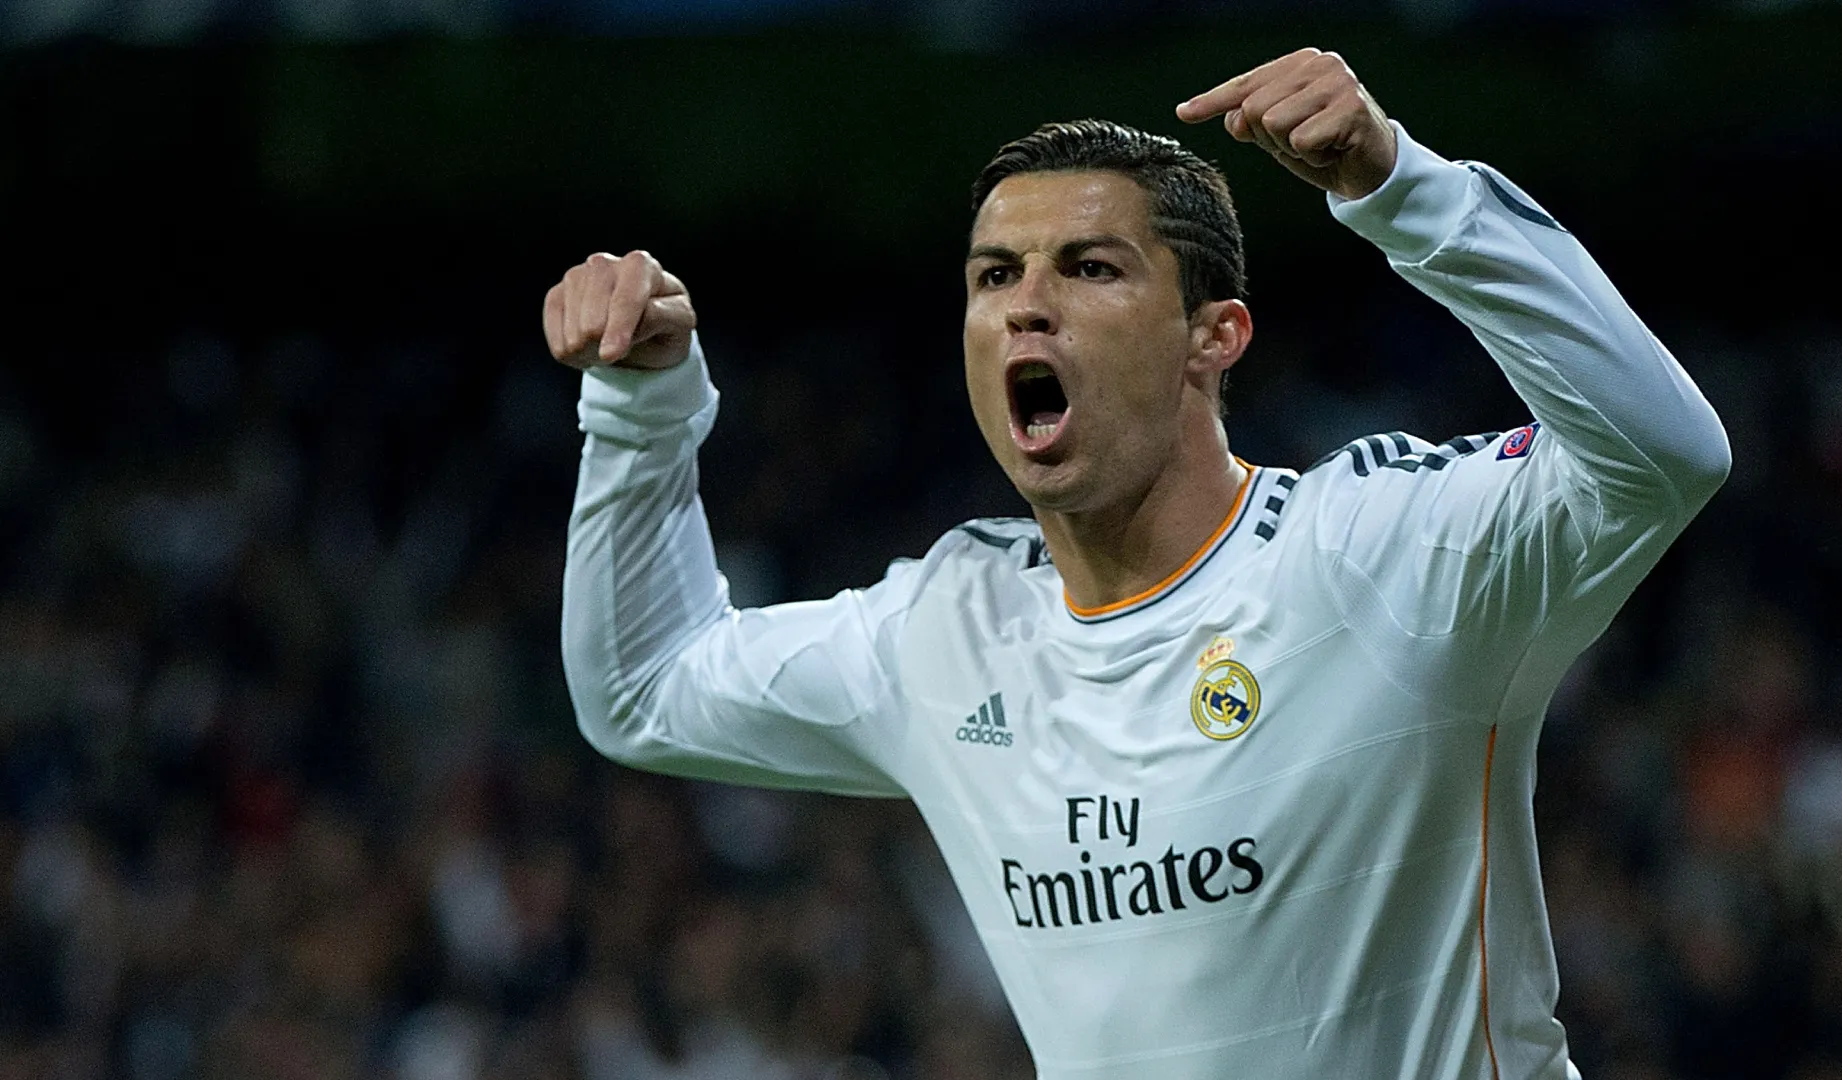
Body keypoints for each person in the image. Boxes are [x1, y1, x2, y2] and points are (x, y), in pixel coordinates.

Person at [548, 48, 1729, 1080]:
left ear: (1213, 337)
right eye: (994, 275)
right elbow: (642, 688)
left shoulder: (1378, 555)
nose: (1026, 307)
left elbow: (1663, 456)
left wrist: (1404, 188)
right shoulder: (945, 632)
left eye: (1090, 268)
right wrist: (641, 409)